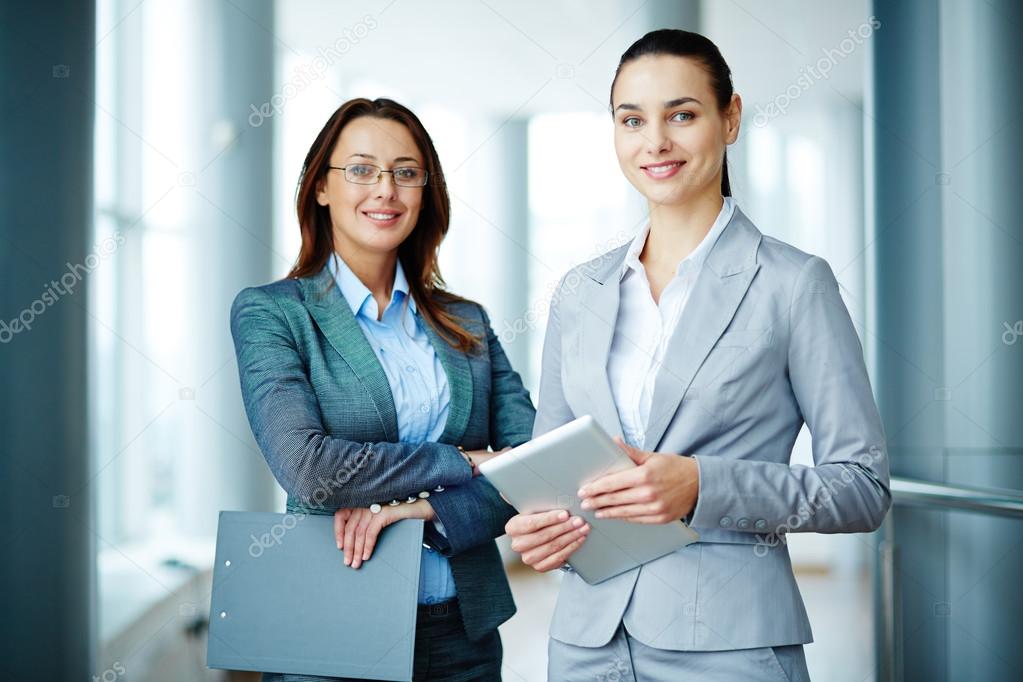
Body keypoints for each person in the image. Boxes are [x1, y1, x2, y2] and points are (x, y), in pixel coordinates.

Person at [504, 29, 891, 681]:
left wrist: (701, 486)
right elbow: (554, 479)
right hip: (583, 644)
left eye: (680, 114)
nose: (653, 142)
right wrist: (540, 531)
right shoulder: (579, 291)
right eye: (632, 119)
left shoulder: (794, 284)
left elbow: (861, 487)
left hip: (729, 646)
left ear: (729, 118)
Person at [230, 97, 534, 681]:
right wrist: (465, 461)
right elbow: (309, 469)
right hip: (332, 623)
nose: (386, 190)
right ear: (321, 187)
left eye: (406, 172)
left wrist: (427, 507)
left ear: (426, 190)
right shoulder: (273, 314)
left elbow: (534, 469)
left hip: (462, 632)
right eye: (362, 169)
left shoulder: (466, 321)